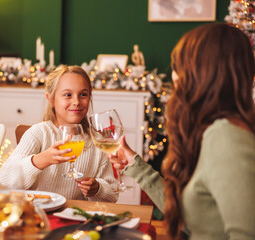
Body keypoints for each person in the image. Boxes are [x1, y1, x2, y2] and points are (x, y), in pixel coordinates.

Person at [109, 23, 255, 239]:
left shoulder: (227, 137)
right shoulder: (215, 130)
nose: (174, 77)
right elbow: (190, 217)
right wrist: (134, 164)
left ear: (206, 74)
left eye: (180, 67)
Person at [0, 65, 118, 202]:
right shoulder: (39, 133)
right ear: (51, 100)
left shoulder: (97, 142)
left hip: (75, 217)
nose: (76, 102)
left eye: (83, 95)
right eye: (68, 95)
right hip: (38, 215)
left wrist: (97, 189)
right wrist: (42, 159)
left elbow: (112, 195)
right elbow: (6, 178)